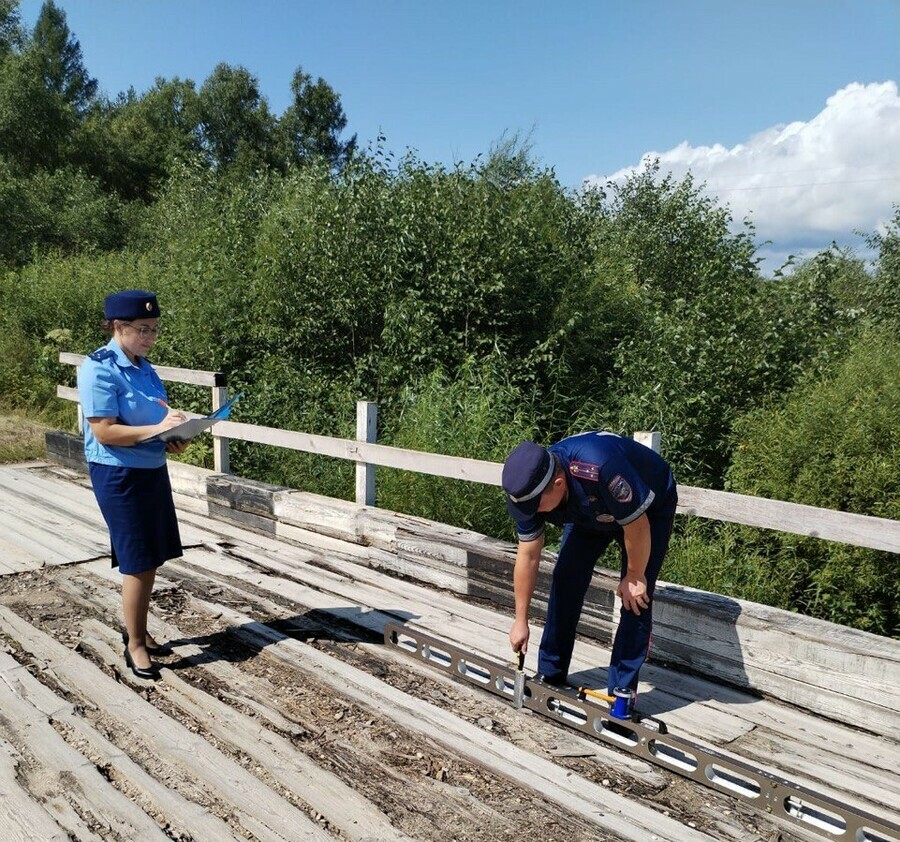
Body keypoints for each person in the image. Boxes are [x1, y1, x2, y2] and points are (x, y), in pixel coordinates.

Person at [502, 432, 677, 717]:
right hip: (588, 509)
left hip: (646, 508)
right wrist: (520, 620)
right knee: (566, 577)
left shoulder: (600, 468)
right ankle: (551, 671)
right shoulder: (532, 488)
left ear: (558, 485)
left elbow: (637, 526)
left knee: (636, 596)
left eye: (535, 508)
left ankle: (622, 694)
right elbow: (529, 555)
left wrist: (634, 575)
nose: (530, 513)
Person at [77, 290, 189, 680]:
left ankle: (138, 629)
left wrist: (172, 434)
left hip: (151, 466)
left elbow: (153, 417)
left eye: (154, 330)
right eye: (143, 330)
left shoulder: (144, 366)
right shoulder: (98, 367)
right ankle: (135, 645)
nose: (150, 337)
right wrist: (156, 430)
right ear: (119, 327)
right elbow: (105, 432)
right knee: (137, 560)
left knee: (151, 555)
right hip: (119, 472)